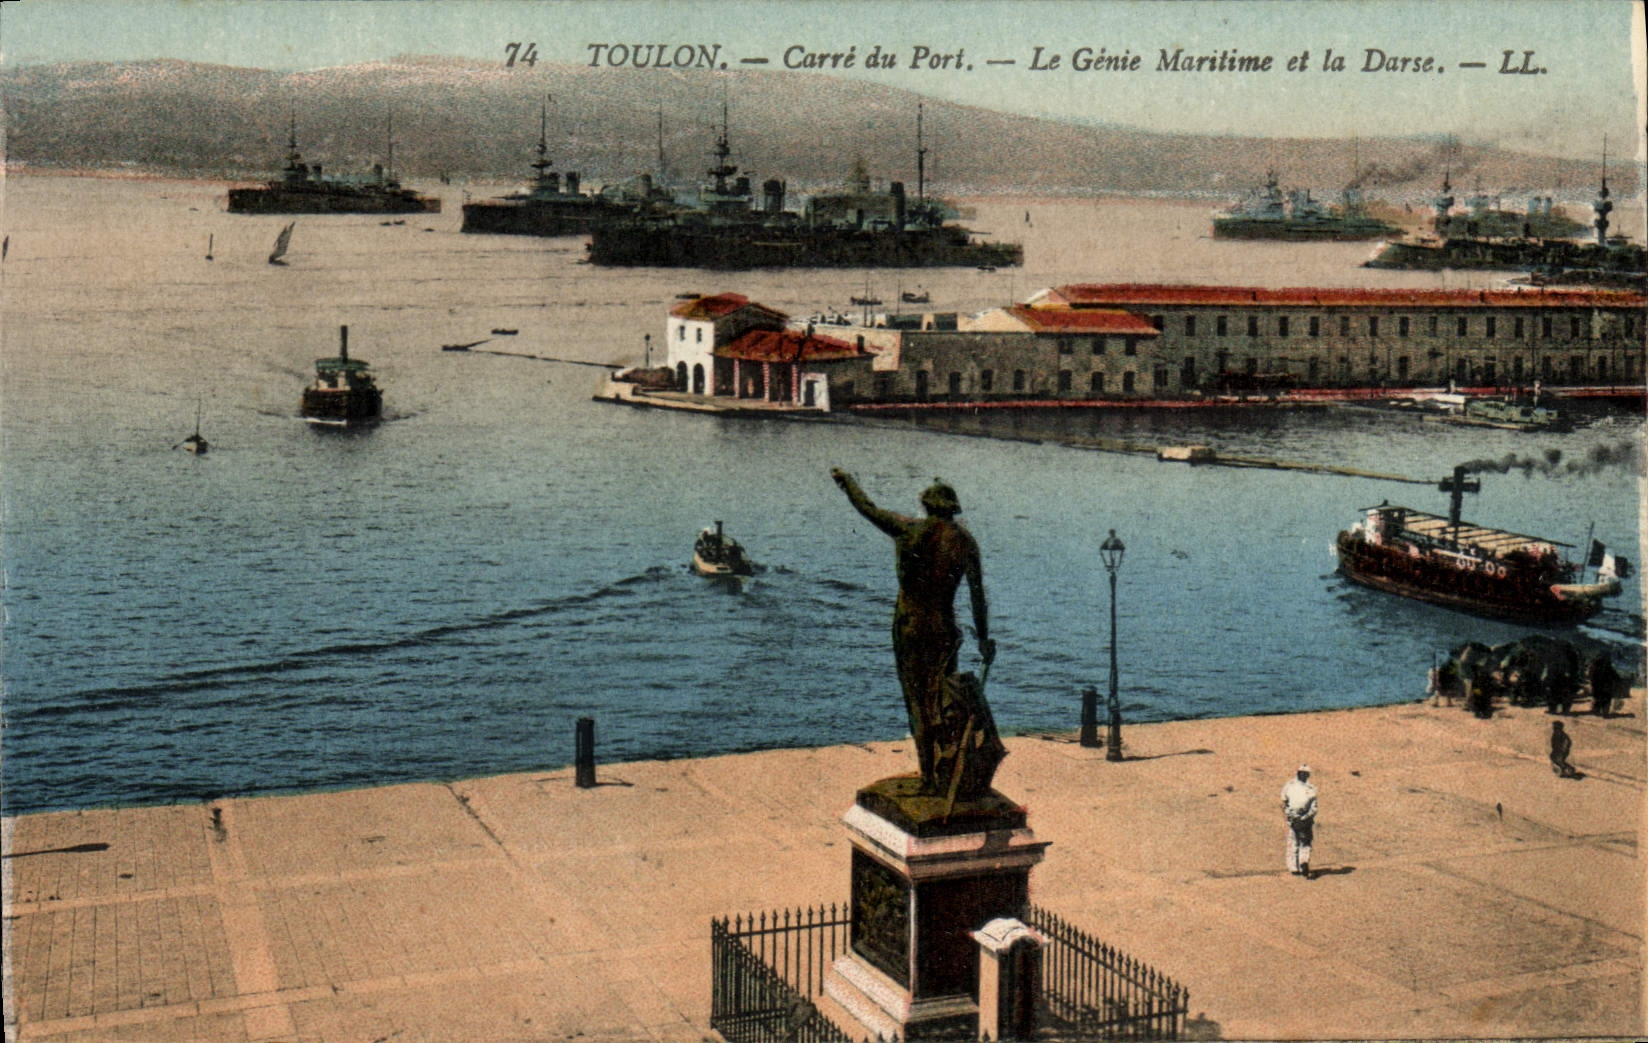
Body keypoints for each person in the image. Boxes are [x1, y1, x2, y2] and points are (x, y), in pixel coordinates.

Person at [830, 468, 1001, 798]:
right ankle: (944, 770)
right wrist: (983, 638)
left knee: (918, 704)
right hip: (944, 631)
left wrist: (848, 481)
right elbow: (978, 596)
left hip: (911, 627)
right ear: (953, 509)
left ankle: (929, 779)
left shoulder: (908, 529)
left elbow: (867, 508)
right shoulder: (965, 542)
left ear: (926, 506)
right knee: (942, 702)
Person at [1281, 765, 1317, 878]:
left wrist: (1290, 815)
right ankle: (1303, 862)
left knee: (1294, 843)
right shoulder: (1311, 789)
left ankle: (1294, 868)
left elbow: (1284, 803)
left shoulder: (1289, 786)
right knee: (1305, 843)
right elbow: (1314, 808)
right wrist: (1306, 816)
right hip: (1305, 820)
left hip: (1294, 819)